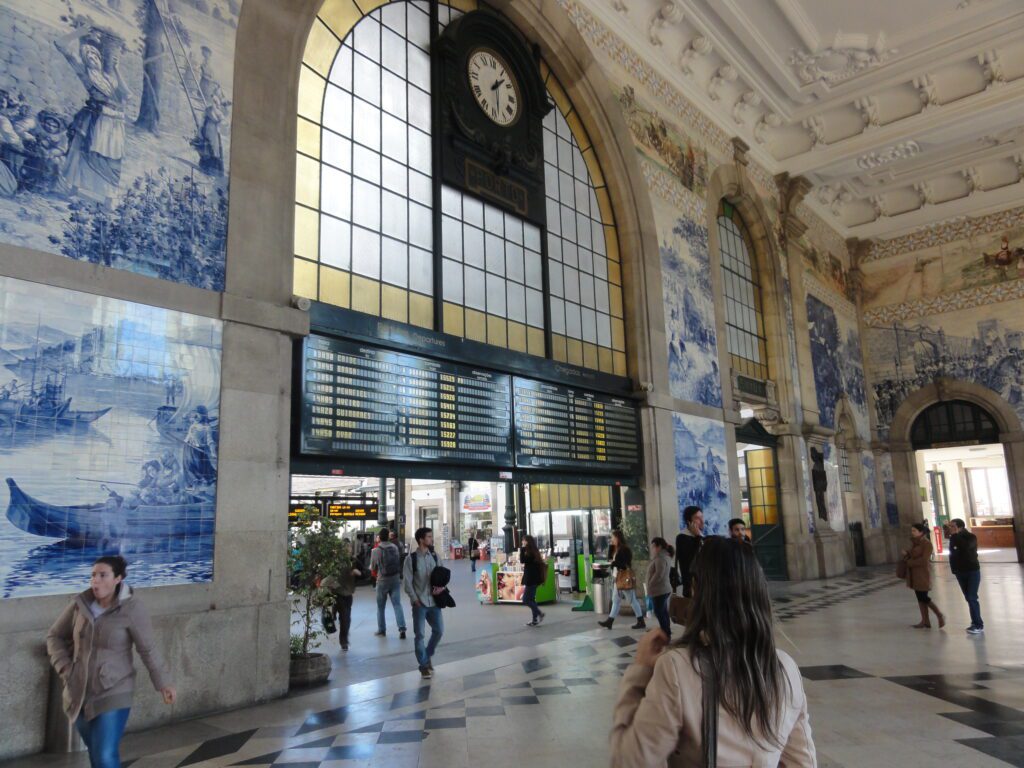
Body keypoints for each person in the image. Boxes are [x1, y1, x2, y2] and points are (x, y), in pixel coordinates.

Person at [610, 537, 816, 767]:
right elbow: (802, 762)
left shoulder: (677, 668)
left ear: (698, 590)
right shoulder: (786, 669)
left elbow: (630, 762)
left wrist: (639, 672)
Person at [46, 556, 177, 768]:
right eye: (93, 575)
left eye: (102, 575)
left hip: (114, 690)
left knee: (105, 755)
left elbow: (148, 649)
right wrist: (65, 668)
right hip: (78, 692)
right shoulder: (80, 604)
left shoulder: (132, 609)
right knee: (97, 756)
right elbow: (54, 636)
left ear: (118, 579)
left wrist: (164, 683)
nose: (95, 581)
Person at [403, 527, 444, 679]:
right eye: (428, 537)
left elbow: (442, 575)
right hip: (420, 603)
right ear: (421, 539)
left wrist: (441, 588)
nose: (431, 539)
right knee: (419, 635)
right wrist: (415, 600)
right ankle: (424, 665)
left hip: (434, 601)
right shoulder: (411, 559)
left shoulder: (434, 556)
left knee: (439, 630)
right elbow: (407, 582)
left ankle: (427, 656)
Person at [599, 530, 646, 630]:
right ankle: (610, 621)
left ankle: (641, 620)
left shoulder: (624, 549)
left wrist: (613, 563)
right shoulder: (616, 549)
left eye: (613, 537)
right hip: (618, 578)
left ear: (617, 538)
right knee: (616, 600)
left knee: (632, 600)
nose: (612, 539)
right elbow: (612, 560)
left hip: (624, 578)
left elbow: (624, 564)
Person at [903, 522, 946, 629]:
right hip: (914, 573)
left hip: (922, 573)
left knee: (924, 597)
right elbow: (914, 554)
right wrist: (907, 554)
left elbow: (924, 560)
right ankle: (925, 621)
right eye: (912, 530)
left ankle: (939, 615)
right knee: (919, 597)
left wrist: (909, 562)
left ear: (921, 532)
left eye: (914, 531)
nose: (912, 532)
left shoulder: (927, 543)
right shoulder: (915, 543)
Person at [321, 540, 361, 652]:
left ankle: (343, 638)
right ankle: (343, 641)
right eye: (346, 547)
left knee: (346, 618)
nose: (349, 549)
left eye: (349, 547)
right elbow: (326, 577)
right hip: (337, 593)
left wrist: (358, 573)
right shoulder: (336, 562)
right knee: (345, 618)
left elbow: (365, 572)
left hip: (348, 594)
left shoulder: (353, 560)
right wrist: (333, 583)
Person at [369, 527, 406, 639]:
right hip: (395, 579)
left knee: (381, 607)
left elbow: (373, 567)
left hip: (382, 580)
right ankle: (402, 628)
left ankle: (382, 630)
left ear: (379, 537)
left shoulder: (376, 551)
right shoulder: (394, 547)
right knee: (397, 604)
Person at [948, 518, 984, 634]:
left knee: (972, 597)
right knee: (968, 597)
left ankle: (978, 625)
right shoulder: (953, 538)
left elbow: (965, 548)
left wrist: (955, 536)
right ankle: (974, 622)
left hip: (972, 570)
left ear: (960, 527)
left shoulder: (970, 537)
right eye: (950, 526)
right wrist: (954, 570)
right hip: (960, 571)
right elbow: (952, 554)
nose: (950, 529)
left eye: (953, 526)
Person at [646, 538, 673, 638]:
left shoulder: (660, 558)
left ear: (659, 547)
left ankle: (665, 633)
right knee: (663, 611)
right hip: (662, 589)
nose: (652, 549)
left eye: (653, 546)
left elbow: (659, 574)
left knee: (659, 612)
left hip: (659, 590)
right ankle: (666, 632)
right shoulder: (664, 556)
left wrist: (650, 584)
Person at [675, 506, 704, 597]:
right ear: (689, 522)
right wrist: (697, 537)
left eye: (702, 517)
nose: (702, 521)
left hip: (704, 583)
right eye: (697, 518)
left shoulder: (701, 536)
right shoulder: (682, 537)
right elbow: (690, 560)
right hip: (691, 585)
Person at [520, 534, 546, 627]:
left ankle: (540, 613)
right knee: (531, 599)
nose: (523, 542)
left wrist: (522, 549)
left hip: (531, 579)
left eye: (524, 541)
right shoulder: (534, 551)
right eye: (523, 540)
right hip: (533, 579)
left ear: (528, 542)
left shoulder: (530, 552)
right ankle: (534, 620)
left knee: (526, 600)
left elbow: (522, 560)